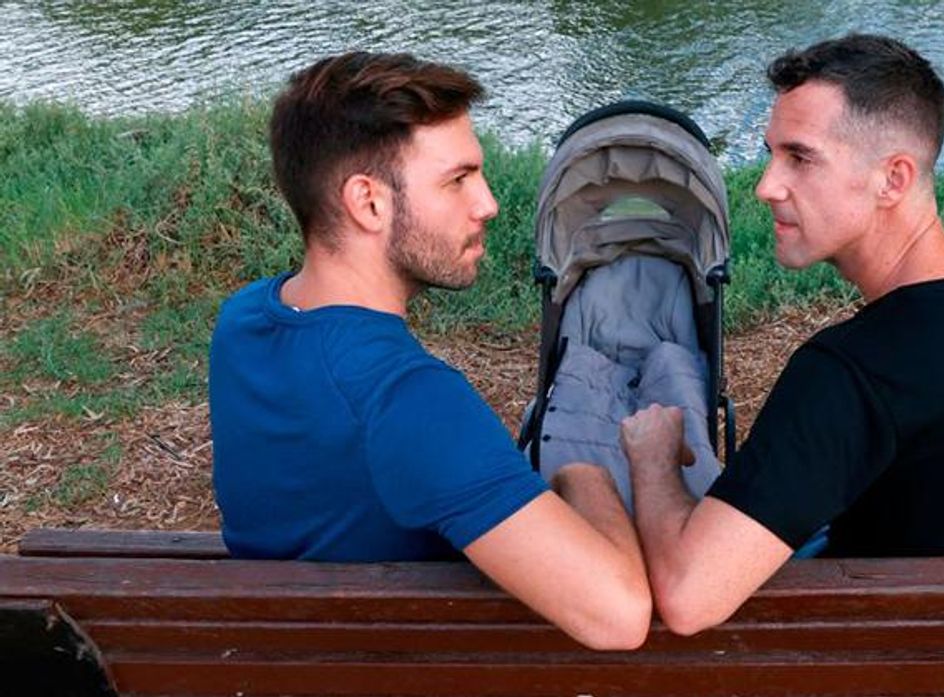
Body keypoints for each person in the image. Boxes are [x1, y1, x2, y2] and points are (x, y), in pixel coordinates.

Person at [619, 34, 944, 636]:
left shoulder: (849, 374)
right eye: (771, 154)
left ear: (893, 179)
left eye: (801, 158)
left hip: (898, 661)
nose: (765, 186)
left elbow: (688, 596)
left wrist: (654, 463)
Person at [209, 52, 649, 650]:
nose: (487, 203)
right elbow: (619, 616)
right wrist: (582, 477)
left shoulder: (242, 321)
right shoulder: (408, 398)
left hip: (283, 658)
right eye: (457, 179)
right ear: (369, 203)